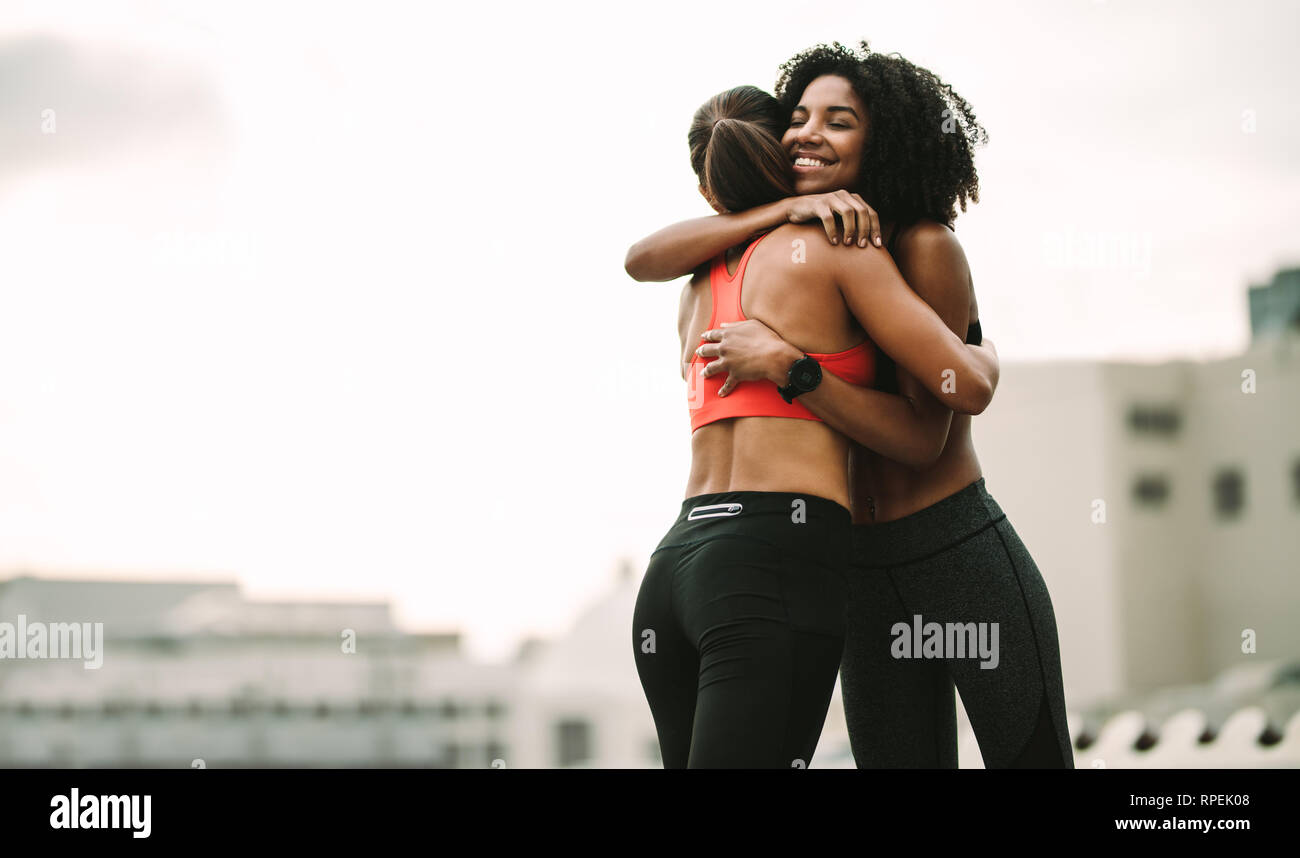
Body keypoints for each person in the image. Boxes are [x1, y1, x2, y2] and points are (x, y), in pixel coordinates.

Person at [628, 42, 1074, 768]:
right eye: (798, 117)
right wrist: (787, 206)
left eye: (839, 122)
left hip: (955, 551)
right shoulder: (789, 238)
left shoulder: (922, 247)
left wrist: (794, 369)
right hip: (855, 568)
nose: (809, 132)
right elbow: (642, 256)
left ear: (883, 139)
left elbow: (931, 429)